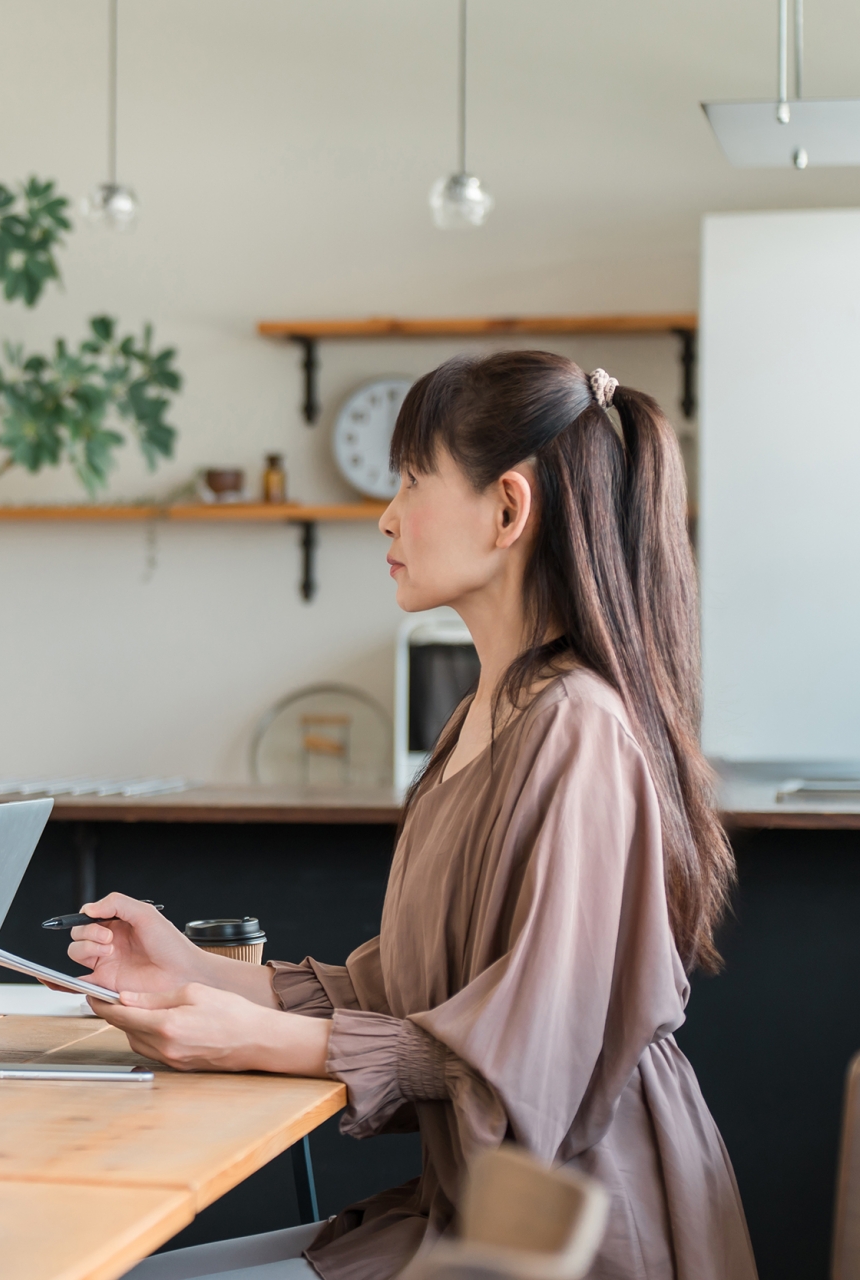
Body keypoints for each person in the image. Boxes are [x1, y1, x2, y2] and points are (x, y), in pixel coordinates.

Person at [76, 354, 756, 1279]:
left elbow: (522, 1066)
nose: (387, 517)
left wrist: (266, 1040)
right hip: (472, 1211)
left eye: (412, 479)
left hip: (576, 1225)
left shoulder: (577, 728)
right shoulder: (486, 715)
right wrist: (194, 972)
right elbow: (411, 1001)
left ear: (509, 509)